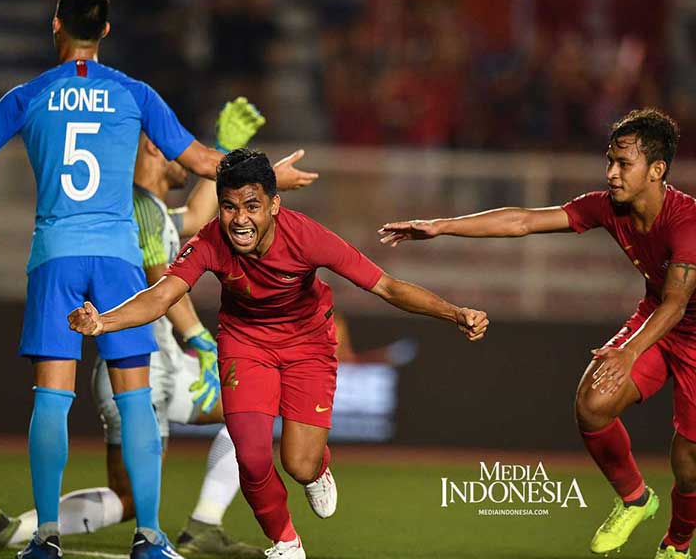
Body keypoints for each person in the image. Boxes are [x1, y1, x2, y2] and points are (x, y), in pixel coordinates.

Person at [0, 0, 313, 559]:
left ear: (55, 25)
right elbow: (200, 162)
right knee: (136, 400)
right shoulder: (135, 94)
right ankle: (151, 538)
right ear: (107, 32)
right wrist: (269, 179)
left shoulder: (30, 94)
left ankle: (44, 540)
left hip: (56, 253)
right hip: (119, 257)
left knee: (51, 399)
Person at [67, 148, 489, 559]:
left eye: (251, 205)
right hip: (245, 344)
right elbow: (162, 296)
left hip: (309, 345)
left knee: (299, 465)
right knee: (250, 456)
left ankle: (317, 469)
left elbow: (387, 286)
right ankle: (286, 542)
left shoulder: (307, 236)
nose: (240, 219)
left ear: (274, 205)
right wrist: (103, 321)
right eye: (229, 207)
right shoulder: (211, 240)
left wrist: (454, 313)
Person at [0, 103, 316, 558]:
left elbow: (203, 214)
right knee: (132, 495)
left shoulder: (153, 210)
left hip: (160, 367)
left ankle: (202, 523)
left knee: (247, 413)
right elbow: (160, 281)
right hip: (138, 367)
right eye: (176, 146)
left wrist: (232, 158)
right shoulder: (136, 207)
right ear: (153, 148)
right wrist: (202, 342)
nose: (186, 154)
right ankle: (26, 530)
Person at [379, 107, 696, 559]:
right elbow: (523, 221)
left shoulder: (687, 222)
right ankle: (636, 499)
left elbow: (677, 303)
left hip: (684, 328)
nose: (611, 173)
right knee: (592, 406)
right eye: (609, 160)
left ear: (657, 170)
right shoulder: (609, 207)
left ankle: (677, 544)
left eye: (623, 163)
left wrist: (629, 353)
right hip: (656, 322)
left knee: (688, 464)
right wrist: (442, 226)